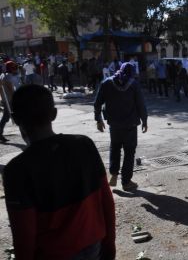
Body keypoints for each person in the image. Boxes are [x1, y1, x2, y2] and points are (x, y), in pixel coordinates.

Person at [3, 85, 116, 259]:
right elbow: (106, 201)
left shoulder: (16, 171)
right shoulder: (84, 145)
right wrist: (109, 246)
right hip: (94, 247)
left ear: (15, 119)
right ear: (54, 114)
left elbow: (23, 235)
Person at [94, 63, 147, 191]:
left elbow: (97, 103)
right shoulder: (134, 85)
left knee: (115, 148)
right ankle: (126, 182)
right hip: (130, 124)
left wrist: (98, 120)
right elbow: (140, 104)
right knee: (129, 152)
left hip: (114, 124)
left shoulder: (107, 83)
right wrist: (144, 120)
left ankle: (113, 174)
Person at [0, 61, 20, 143]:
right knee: (6, 117)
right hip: (10, 99)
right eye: (13, 67)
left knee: (6, 117)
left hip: (6, 99)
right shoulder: (8, 76)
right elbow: (11, 89)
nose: (15, 68)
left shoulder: (3, 75)